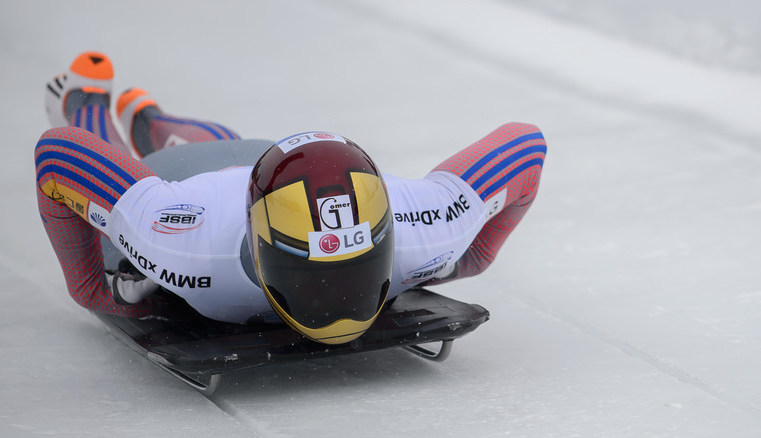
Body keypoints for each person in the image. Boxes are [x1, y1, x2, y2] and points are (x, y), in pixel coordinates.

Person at [36, 52, 547, 345]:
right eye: (314, 279)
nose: (337, 306)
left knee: (231, 148)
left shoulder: (431, 226)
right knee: (121, 226)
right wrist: (86, 282)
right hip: (187, 186)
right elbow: (59, 156)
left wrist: (472, 254)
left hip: (259, 161)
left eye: (356, 272)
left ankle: (147, 111)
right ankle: (84, 101)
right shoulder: (179, 239)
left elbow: (527, 145)